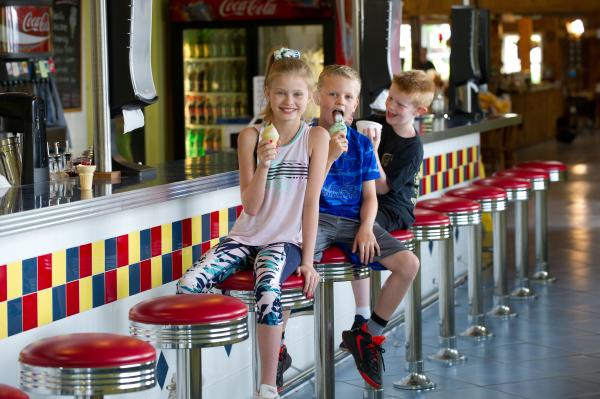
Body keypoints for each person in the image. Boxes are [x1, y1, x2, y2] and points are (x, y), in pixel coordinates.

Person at [177, 47, 329, 399]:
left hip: (285, 240)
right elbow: (251, 204)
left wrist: (308, 261)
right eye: (280, 93)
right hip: (245, 236)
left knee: (268, 289)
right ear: (267, 93)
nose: (288, 101)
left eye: (297, 94)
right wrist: (263, 164)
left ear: (310, 97)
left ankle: (266, 385)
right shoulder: (251, 137)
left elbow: (311, 203)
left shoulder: (315, 138)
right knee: (188, 284)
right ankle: (184, 380)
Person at [313, 64, 420, 389]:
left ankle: (367, 334)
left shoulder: (360, 144)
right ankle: (280, 348)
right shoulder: (308, 136)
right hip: (313, 220)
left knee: (408, 265)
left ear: (356, 104)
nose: (339, 101)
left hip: (354, 222)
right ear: (318, 97)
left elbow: (372, 196)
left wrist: (366, 226)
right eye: (332, 93)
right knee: (292, 269)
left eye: (347, 96)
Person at [342, 70, 434, 334]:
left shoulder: (412, 147)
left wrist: (371, 149)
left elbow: (383, 187)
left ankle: (372, 327)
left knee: (360, 227)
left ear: (420, 110)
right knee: (351, 221)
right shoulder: (374, 122)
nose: (391, 107)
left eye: (400, 104)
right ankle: (361, 313)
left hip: (395, 208)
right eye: (390, 98)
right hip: (368, 201)